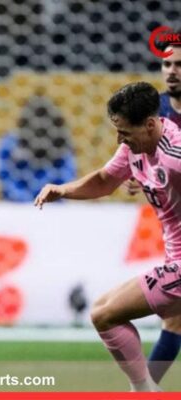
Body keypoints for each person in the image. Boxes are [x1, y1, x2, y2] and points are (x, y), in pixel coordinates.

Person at [35, 81, 181, 392]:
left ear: (150, 124)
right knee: (167, 321)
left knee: (104, 315)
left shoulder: (175, 156)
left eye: (125, 132)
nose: (119, 139)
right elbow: (104, 180)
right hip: (174, 258)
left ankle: (144, 392)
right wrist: (64, 190)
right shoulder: (134, 149)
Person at [121, 44, 181, 384]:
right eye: (166, 64)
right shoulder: (154, 110)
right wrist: (136, 176)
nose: (172, 71)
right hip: (175, 231)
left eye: (179, 65)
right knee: (174, 319)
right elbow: (139, 157)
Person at [0, 95, 76, 201]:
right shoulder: (10, 145)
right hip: (17, 205)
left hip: (53, 206)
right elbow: (5, 179)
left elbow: (65, 183)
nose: (40, 126)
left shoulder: (62, 146)